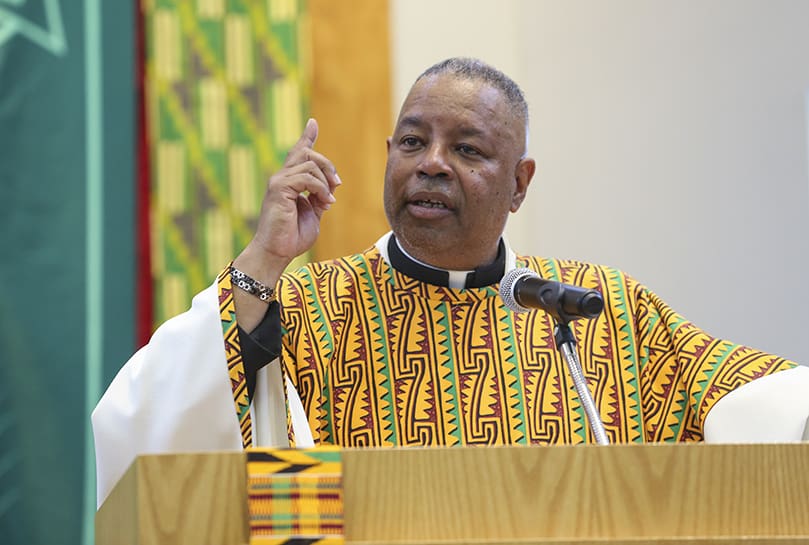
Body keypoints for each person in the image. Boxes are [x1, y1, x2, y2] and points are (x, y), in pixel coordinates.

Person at [92, 57, 809, 505]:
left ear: (519, 183)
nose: (431, 163)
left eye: (467, 148)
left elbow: (762, 403)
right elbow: (156, 426)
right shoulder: (305, 305)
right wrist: (263, 259)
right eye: (412, 142)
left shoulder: (596, 309)